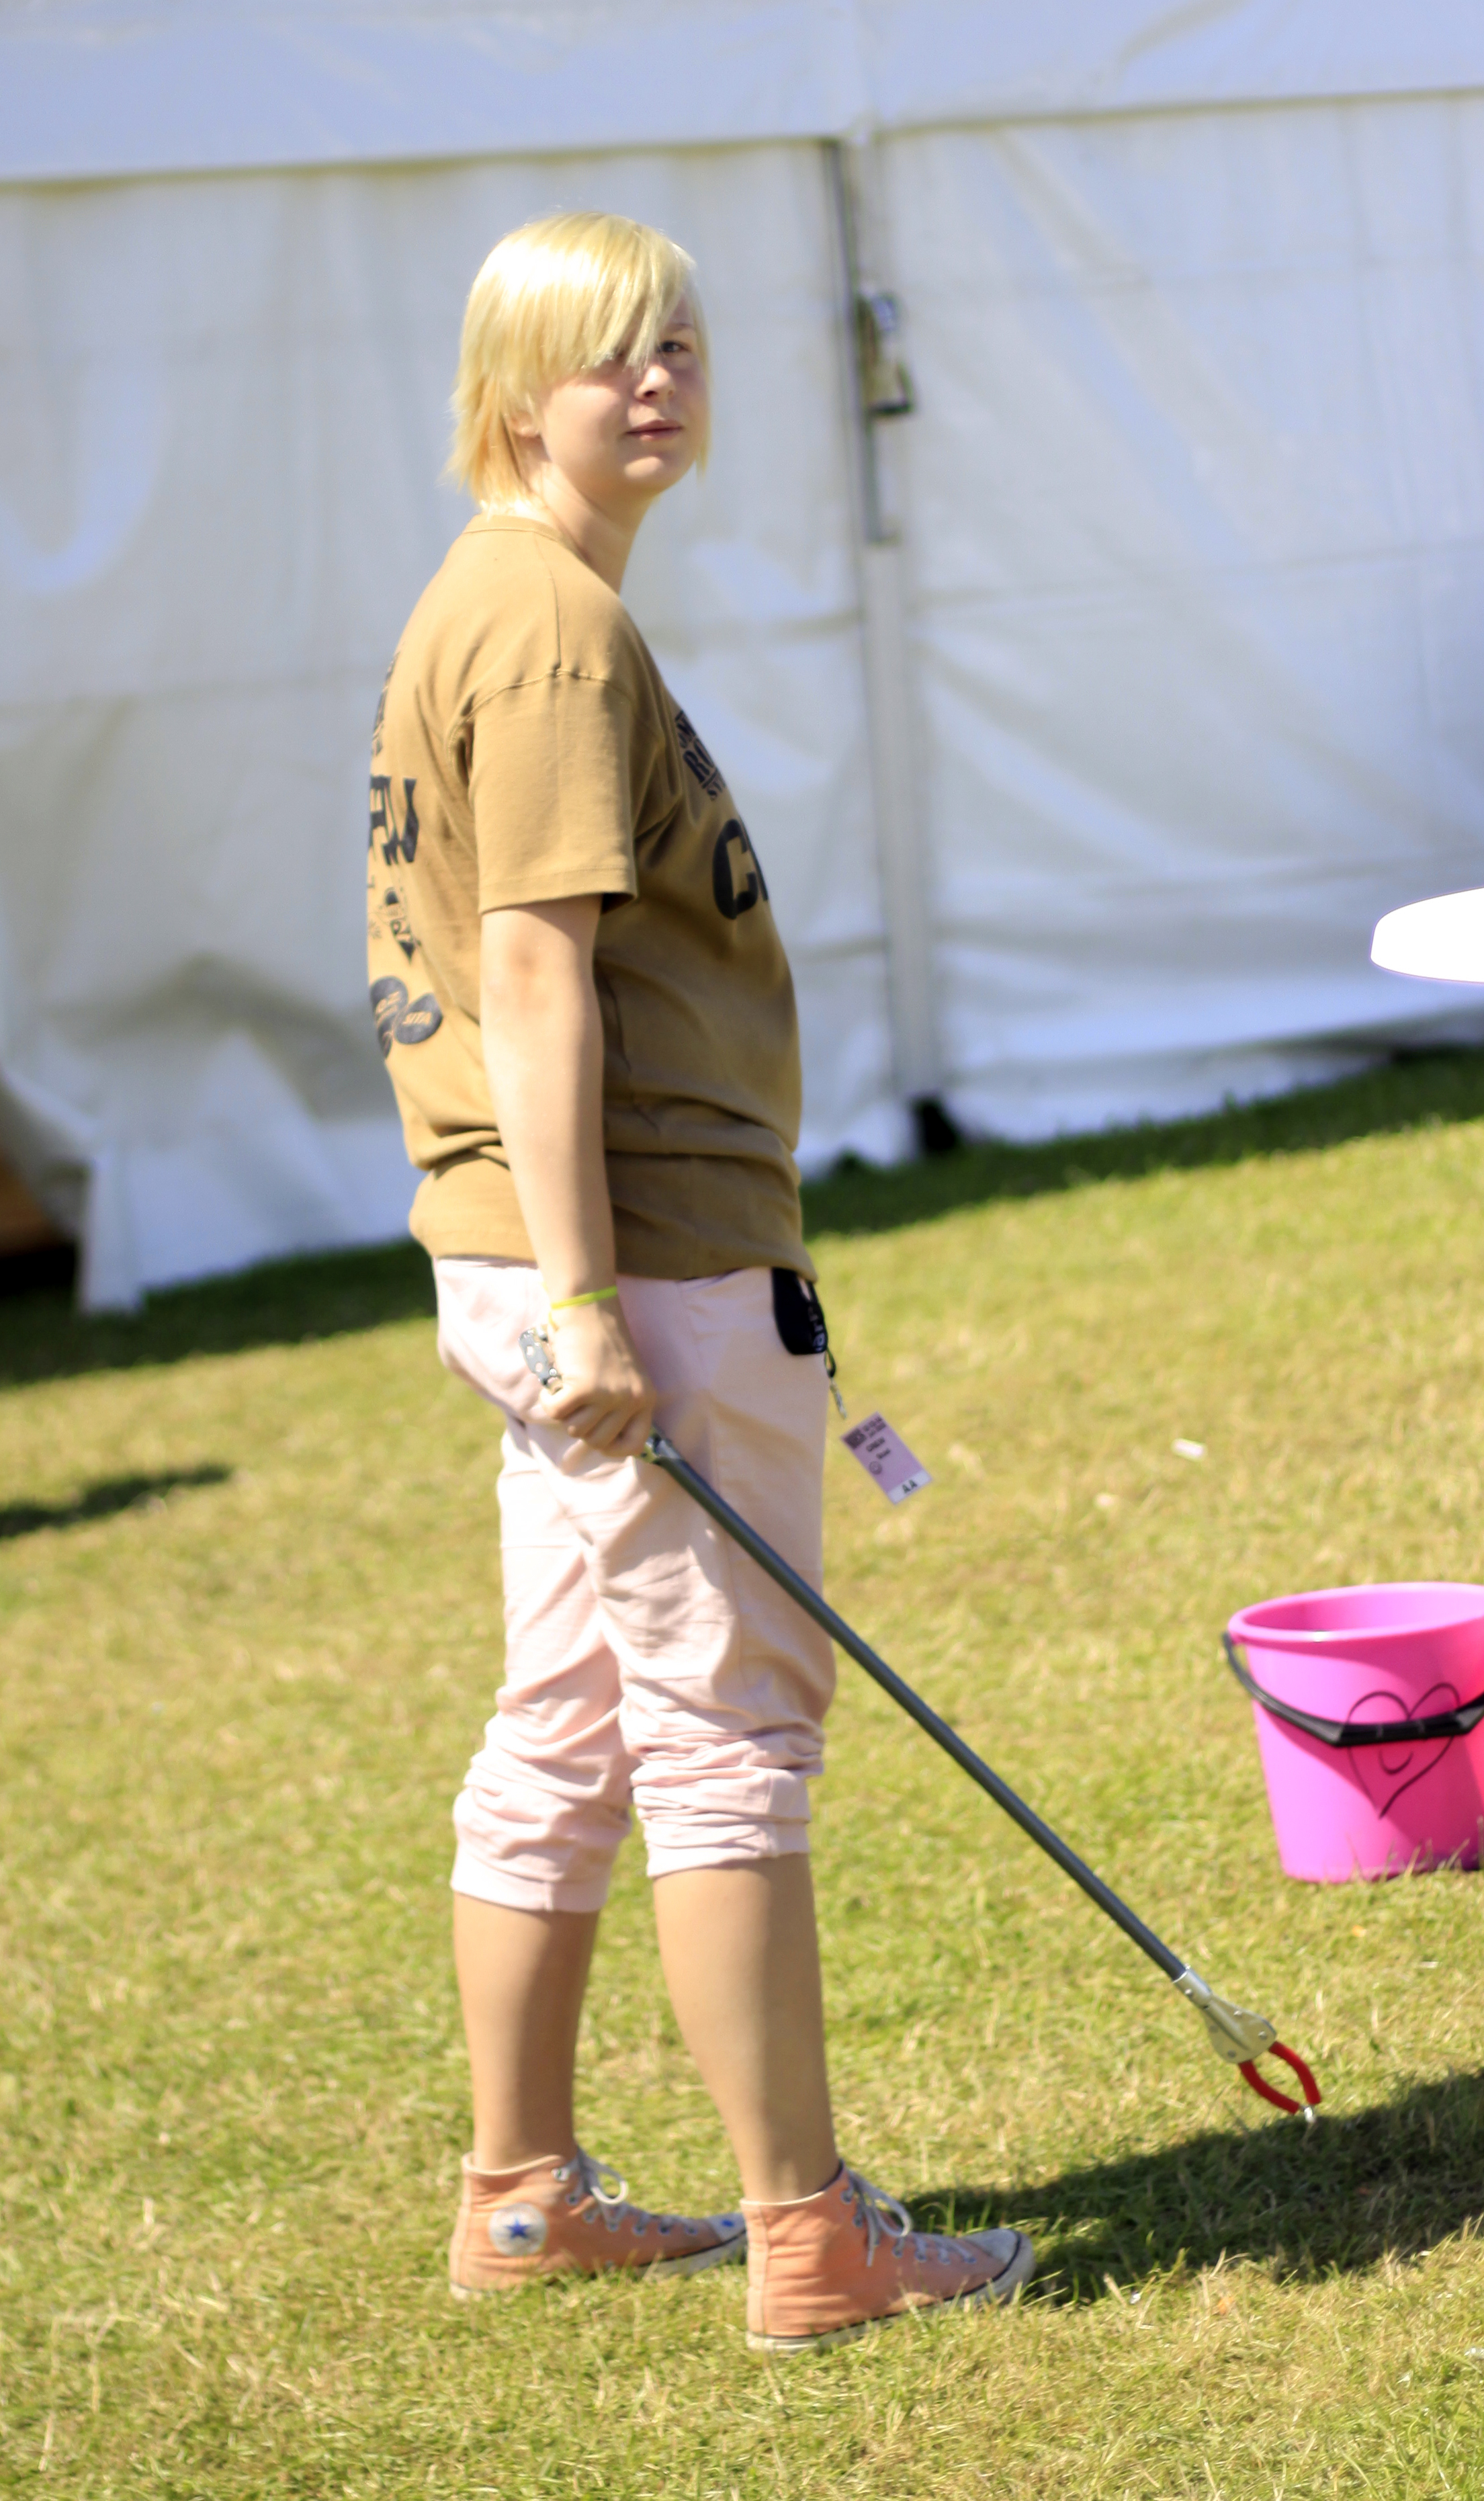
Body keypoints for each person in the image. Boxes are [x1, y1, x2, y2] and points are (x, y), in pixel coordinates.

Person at [365, 210, 1034, 2353]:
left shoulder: (495, 598)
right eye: (607, 352)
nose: (657, 377)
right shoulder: (549, 625)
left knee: (569, 1721)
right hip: (629, 1265)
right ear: (512, 390)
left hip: (550, 1257)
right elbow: (532, 974)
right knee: (727, 1732)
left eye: (680, 340)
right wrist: (591, 1307)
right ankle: (809, 2234)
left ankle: (522, 2197)